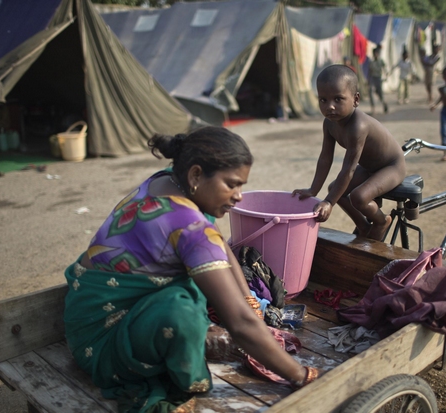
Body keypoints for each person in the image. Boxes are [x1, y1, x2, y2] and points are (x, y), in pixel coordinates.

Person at [63, 126, 318, 413]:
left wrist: (248, 299)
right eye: (232, 185)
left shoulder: (167, 182)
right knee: (184, 307)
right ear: (196, 175)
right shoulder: (190, 227)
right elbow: (241, 325)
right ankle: (177, 376)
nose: (239, 196)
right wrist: (301, 375)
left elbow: (218, 244)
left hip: (83, 313)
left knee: (204, 279)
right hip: (106, 345)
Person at [292, 65, 406, 241]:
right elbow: (325, 158)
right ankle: (363, 225)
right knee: (335, 189)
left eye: (338, 99)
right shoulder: (329, 123)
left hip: (391, 166)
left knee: (359, 197)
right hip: (370, 167)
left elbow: (349, 169)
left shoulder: (358, 126)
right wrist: (313, 189)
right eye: (323, 100)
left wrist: (329, 202)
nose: (330, 106)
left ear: (355, 99)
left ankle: (381, 221)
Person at [367, 45, 389, 114]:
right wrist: (368, 80)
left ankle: (384, 104)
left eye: (377, 53)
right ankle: (373, 108)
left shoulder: (381, 61)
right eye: (374, 53)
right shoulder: (371, 62)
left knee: (380, 94)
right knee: (371, 92)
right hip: (373, 78)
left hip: (378, 79)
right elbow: (370, 71)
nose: (376, 55)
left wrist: (386, 76)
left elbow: (385, 69)